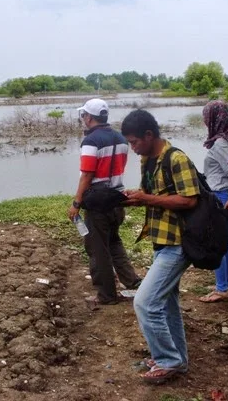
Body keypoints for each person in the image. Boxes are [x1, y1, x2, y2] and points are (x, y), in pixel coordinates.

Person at [121, 109, 199, 384]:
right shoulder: (147, 160)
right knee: (166, 304)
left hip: (179, 242)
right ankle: (178, 359)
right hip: (161, 240)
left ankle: (168, 361)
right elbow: (151, 196)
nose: (133, 148)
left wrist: (148, 199)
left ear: (149, 135)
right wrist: (135, 197)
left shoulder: (176, 159)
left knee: (144, 302)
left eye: (134, 142)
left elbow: (190, 200)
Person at [67, 98, 141, 309]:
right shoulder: (121, 138)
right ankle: (133, 282)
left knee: (97, 249)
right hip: (117, 199)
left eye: (83, 115)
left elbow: (87, 174)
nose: (83, 118)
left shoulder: (91, 141)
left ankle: (106, 295)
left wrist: (76, 202)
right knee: (114, 243)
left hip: (98, 203)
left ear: (89, 117)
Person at [198, 101, 228, 303]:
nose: (204, 120)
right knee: (226, 243)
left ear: (214, 118)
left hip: (221, 197)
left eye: (206, 116)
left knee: (217, 244)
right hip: (224, 194)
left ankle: (221, 288)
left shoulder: (220, 144)